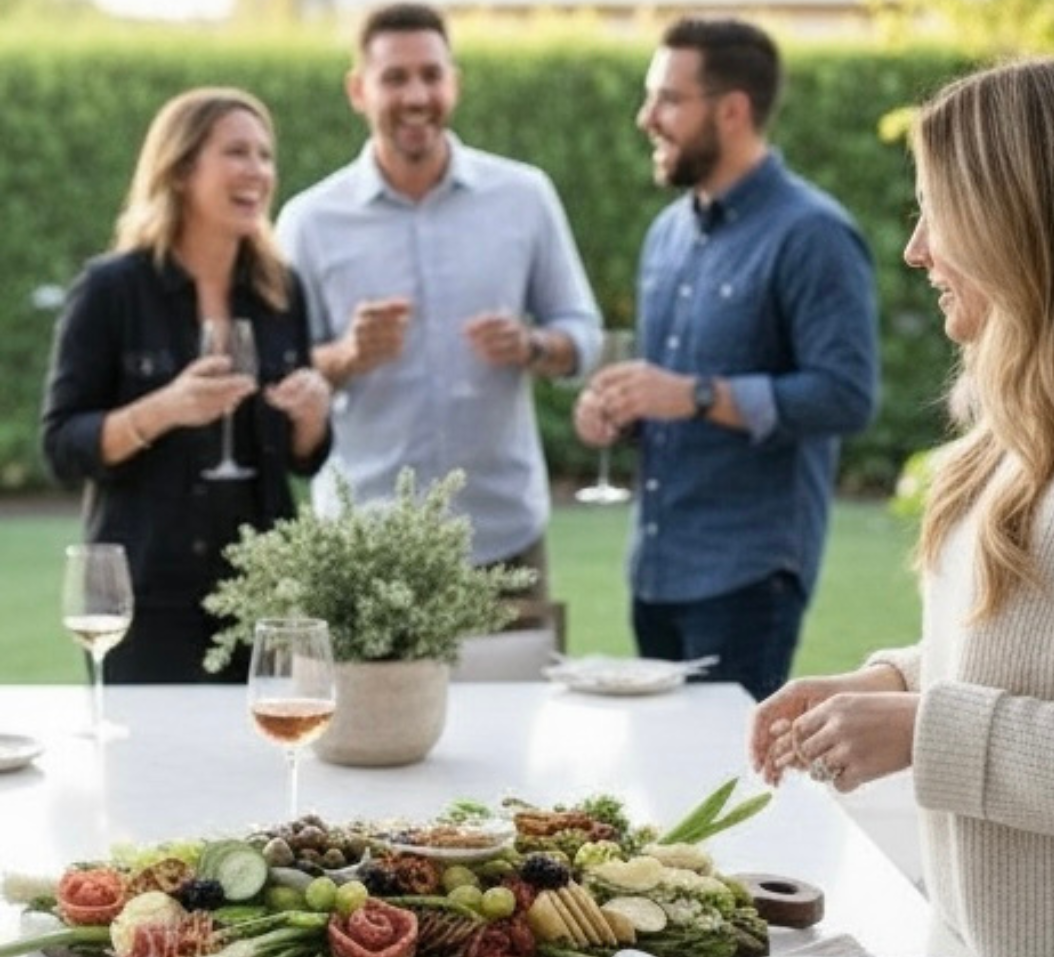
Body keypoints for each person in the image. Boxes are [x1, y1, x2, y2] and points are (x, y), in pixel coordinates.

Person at [750, 58, 1054, 957]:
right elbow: (1033, 652)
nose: (916, 249)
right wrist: (889, 679)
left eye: (939, 214)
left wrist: (921, 729)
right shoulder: (1017, 434)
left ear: (1017, 222)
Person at [573, 18, 878, 700]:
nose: (645, 117)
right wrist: (617, 415)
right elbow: (665, 395)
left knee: (728, 794)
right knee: (666, 786)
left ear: (733, 110)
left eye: (668, 100)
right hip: (654, 569)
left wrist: (696, 395)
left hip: (748, 575)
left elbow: (846, 395)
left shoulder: (814, 234)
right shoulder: (667, 235)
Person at [276, 2, 602, 600]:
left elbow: (582, 332)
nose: (416, 94)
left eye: (431, 74)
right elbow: (280, 372)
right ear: (358, 90)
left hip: (502, 537)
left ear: (454, 82)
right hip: (364, 544)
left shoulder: (524, 196)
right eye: (394, 78)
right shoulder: (308, 220)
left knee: (517, 699)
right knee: (364, 702)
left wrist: (530, 344)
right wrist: (346, 354)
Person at [41, 87, 332, 683]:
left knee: (265, 769)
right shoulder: (111, 290)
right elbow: (63, 448)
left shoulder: (281, 290)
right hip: (147, 598)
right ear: (179, 171)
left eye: (265, 155)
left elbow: (305, 458)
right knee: (149, 771)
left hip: (264, 594)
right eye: (236, 153)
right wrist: (162, 409)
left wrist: (313, 417)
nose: (258, 170)